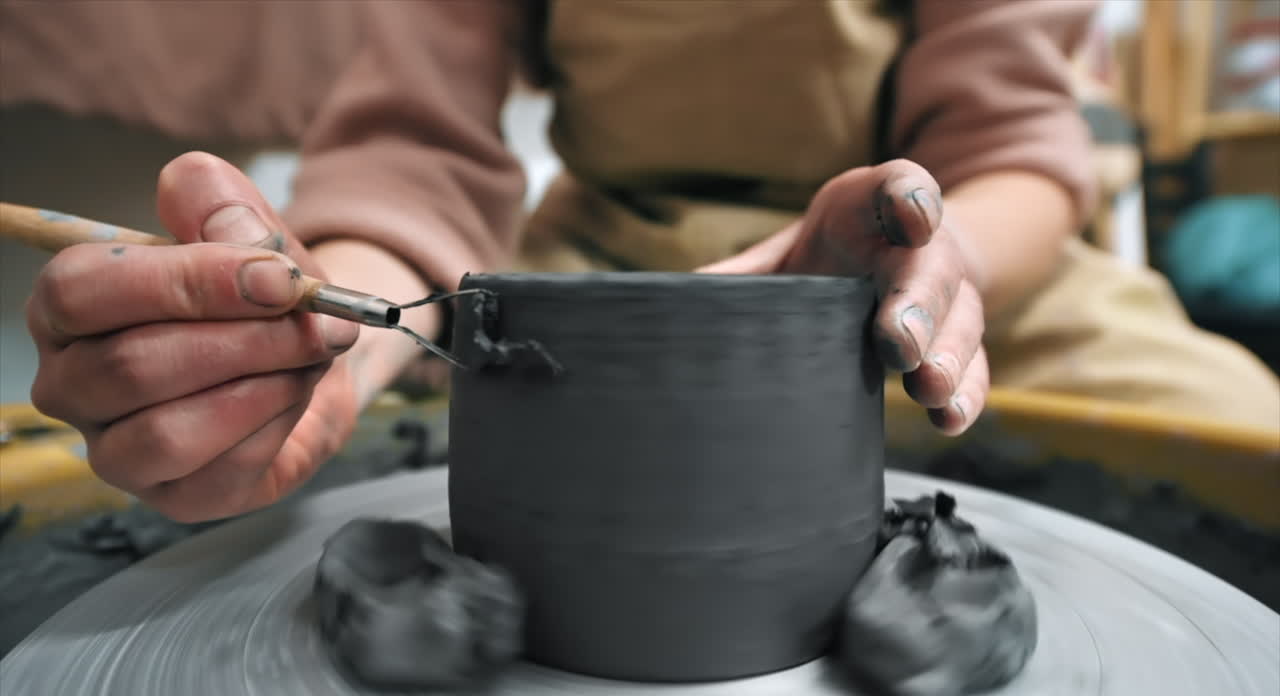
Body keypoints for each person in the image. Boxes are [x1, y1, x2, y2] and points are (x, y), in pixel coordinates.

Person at [20, 1, 1280, 523]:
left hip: (949, 258)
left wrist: (918, 261)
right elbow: (416, 151)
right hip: (615, 264)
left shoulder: (947, 245)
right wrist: (318, 341)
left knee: (1239, 449)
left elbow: (1008, 143)